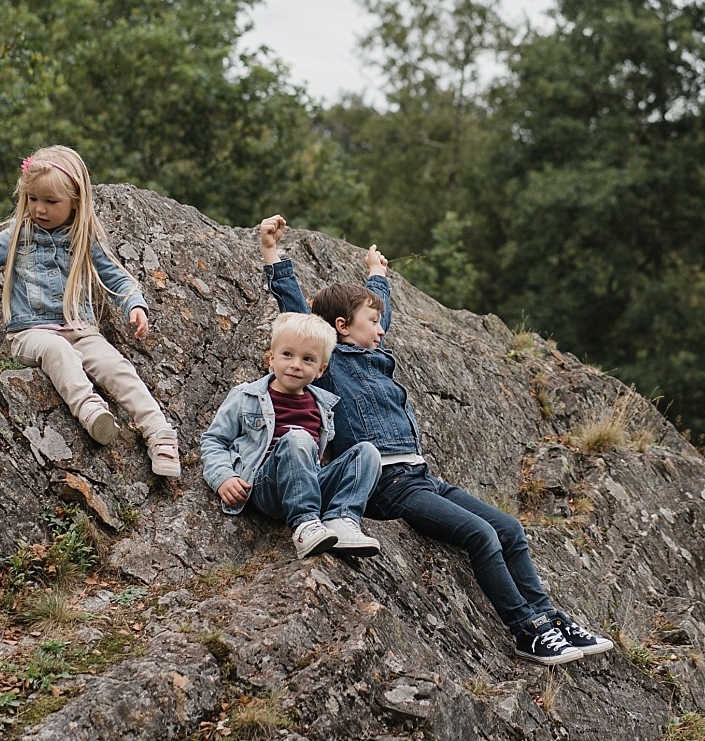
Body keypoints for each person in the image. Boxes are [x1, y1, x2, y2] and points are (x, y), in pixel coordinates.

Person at [257, 215, 614, 666]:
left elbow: (377, 307)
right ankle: (528, 631)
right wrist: (273, 251)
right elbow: (296, 309)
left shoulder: (374, 355)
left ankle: (550, 617)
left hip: (421, 476)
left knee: (510, 530)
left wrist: (377, 275)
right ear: (342, 326)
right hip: (387, 485)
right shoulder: (332, 361)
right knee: (480, 536)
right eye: (373, 322)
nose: (382, 329)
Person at [0, 145, 183, 478]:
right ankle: (91, 411)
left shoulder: (83, 237)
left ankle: (159, 433)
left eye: (51, 202)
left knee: (116, 366)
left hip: (79, 328)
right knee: (57, 351)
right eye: (32, 199)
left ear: (75, 202)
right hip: (31, 333)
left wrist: (135, 304)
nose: (39, 209)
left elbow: (116, 276)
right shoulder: (17, 236)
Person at [199, 311, 382, 558]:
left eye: (308, 359)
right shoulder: (246, 397)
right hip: (266, 486)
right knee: (298, 438)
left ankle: (341, 518)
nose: (296, 365)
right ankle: (304, 525)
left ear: (320, 369)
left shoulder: (323, 406)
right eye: (287, 355)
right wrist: (223, 477)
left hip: (309, 484)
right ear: (271, 358)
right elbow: (214, 441)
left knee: (367, 452)